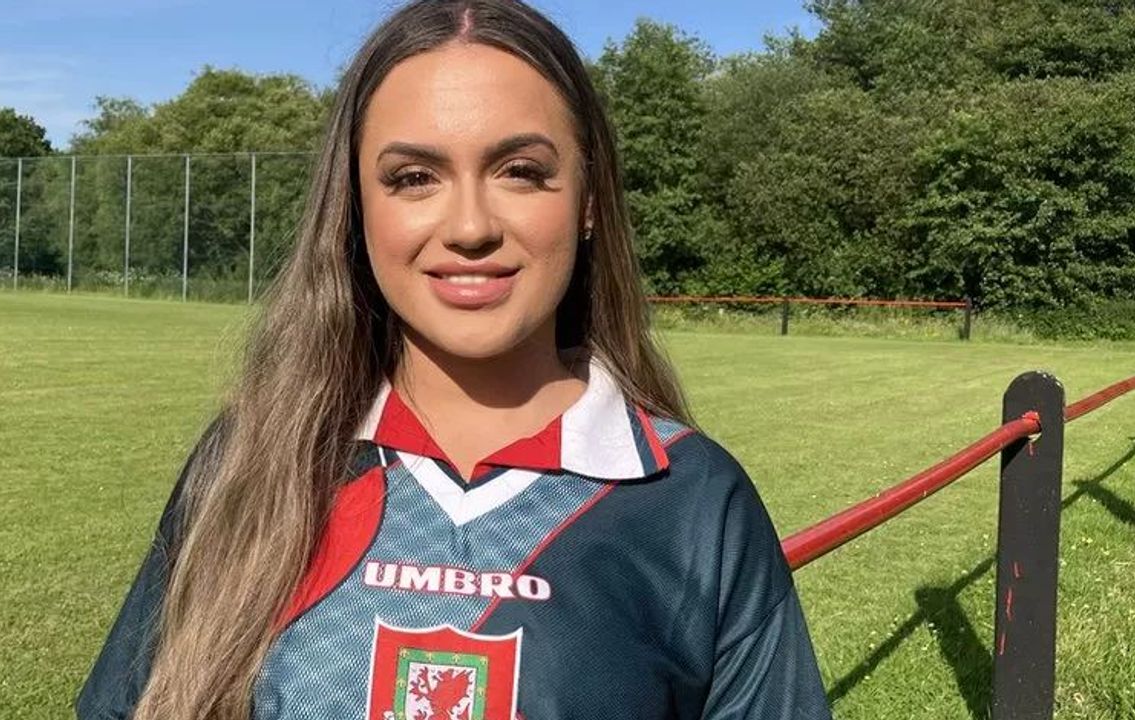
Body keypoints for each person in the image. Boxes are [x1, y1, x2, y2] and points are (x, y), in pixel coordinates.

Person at [75, 1, 831, 719]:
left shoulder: (693, 500)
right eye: (413, 178)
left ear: (588, 201)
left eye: (520, 170)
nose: (470, 227)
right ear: (355, 208)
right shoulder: (251, 459)